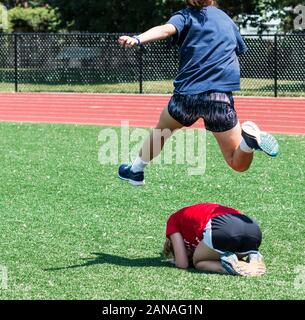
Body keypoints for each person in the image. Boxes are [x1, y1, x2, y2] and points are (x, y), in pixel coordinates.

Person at [118, 0, 279, 186]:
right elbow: (237, 50)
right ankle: (248, 144)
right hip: (218, 98)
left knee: (161, 131)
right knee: (237, 163)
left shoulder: (184, 16)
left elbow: (165, 29)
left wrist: (137, 39)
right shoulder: (226, 20)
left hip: (187, 96)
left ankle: (136, 171)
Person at [163, 202, 266, 276]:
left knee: (199, 263)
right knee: (225, 249)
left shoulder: (173, 221)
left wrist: (181, 260)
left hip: (222, 228)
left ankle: (231, 267)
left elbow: (182, 264)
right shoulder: (191, 215)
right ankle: (252, 256)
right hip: (253, 229)